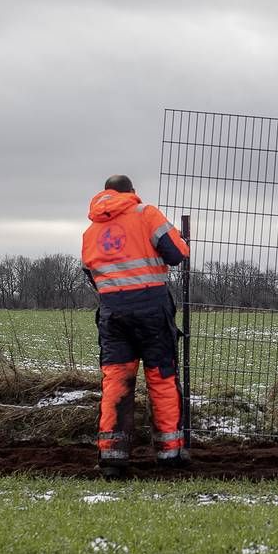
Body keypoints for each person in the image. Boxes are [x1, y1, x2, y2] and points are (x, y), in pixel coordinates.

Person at [81, 174, 191, 477]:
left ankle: (113, 458)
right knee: (162, 378)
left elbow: (92, 274)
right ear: (132, 192)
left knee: (116, 381)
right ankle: (169, 455)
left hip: (112, 313)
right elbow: (176, 253)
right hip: (151, 309)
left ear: (105, 194)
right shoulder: (146, 214)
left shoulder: (91, 231)